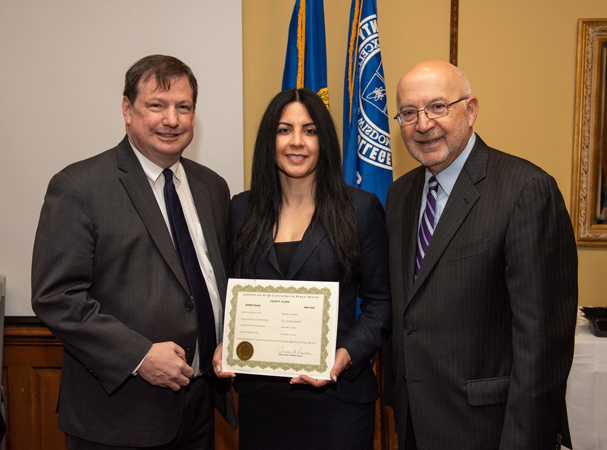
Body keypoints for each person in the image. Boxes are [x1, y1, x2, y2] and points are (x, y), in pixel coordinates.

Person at [32, 54, 235, 449]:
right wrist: (139, 356)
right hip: (118, 416)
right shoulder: (79, 186)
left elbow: (214, 280)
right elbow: (56, 297)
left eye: (183, 107)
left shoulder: (213, 188)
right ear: (127, 110)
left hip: (199, 409)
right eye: (156, 105)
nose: (171, 119)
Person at [384, 60, 578, 450]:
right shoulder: (400, 195)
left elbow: (542, 348)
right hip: (413, 425)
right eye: (409, 113)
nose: (423, 124)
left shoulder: (526, 190)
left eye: (438, 106)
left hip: (489, 430)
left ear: (470, 110)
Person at [213, 88, 391, 449]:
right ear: (269, 140)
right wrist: (222, 343)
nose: (297, 142)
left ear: (323, 140)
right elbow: (229, 293)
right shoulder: (240, 209)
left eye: (309, 130)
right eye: (284, 130)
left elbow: (380, 304)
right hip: (261, 401)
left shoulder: (360, 209)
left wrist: (346, 355)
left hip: (337, 401)